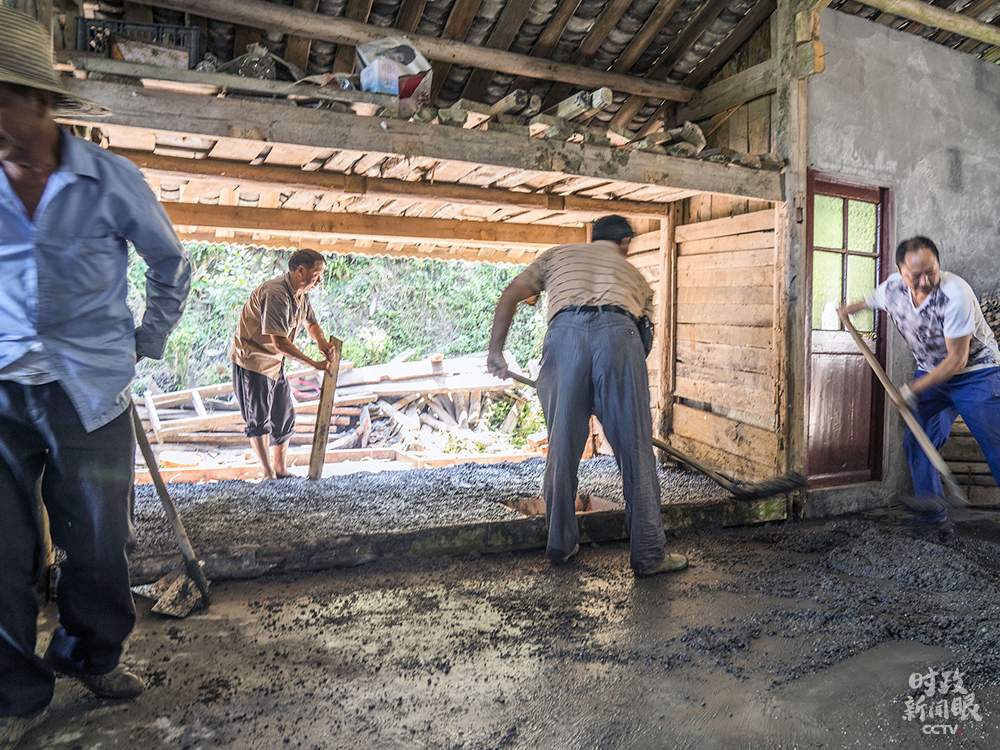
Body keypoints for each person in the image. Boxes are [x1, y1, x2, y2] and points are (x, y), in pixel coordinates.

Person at [0, 7, 192, 749]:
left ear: (40, 103)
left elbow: (169, 263)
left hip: (92, 392)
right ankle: (18, 691)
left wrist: (146, 339)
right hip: (5, 390)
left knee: (99, 543)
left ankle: (92, 656)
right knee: (5, 551)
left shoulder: (110, 180)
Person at [486, 215, 688, 576]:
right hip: (620, 334)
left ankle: (561, 547)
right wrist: (613, 390)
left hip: (564, 337)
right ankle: (649, 555)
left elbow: (511, 294)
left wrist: (496, 352)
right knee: (636, 451)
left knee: (562, 448)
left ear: (592, 238)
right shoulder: (636, 278)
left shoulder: (557, 256)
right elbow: (643, 341)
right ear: (624, 242)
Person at [839, 236, 1000, 523]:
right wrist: (848, 311)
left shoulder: (955, 294)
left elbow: (957, 361)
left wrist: (910, 390)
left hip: (977, 373)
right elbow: (870, 300)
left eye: (931, 271)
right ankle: (932, 518)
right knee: (917, 441)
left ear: (939, 265)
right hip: (931, 372)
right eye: (916, 275)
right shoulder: (892, 290)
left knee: (996, 444)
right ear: (901, 273)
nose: (925, 280)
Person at [229, 249, 337, 479]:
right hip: (254, 360)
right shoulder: (277, 293)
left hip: (275, 363)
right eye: (316, 275)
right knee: (258, 419)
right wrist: (313, 364)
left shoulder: (301, 294)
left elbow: (311, 324)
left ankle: (280, 468)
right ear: (301, 271)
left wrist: (321, 342)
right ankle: (268, 473)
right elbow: (280, 343)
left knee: (284, 414)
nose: (320, 281)